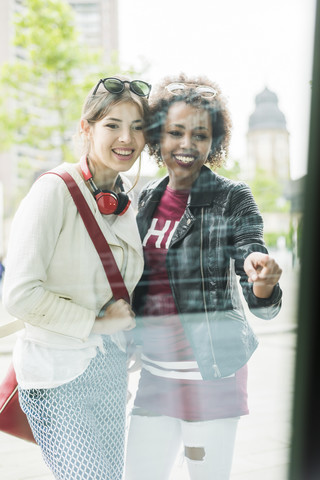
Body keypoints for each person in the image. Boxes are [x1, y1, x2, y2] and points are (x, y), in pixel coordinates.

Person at [125, 73, 283, 480]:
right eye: (176, 132)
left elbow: (251, 248)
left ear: (215, 141)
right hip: (156, 376)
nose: (187, 144)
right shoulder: (144, 199)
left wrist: (261, 280)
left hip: (211, 375)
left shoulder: (232, 197)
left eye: (200, 134)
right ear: (159, 136)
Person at [3, 75, 151, 480]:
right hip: (55, 376)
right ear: (86, 129)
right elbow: (19, 294)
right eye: (113, 125)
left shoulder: (125, 204)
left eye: (138, 127)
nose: (128, 138)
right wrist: (97, 322)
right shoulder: (53, 191)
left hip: (111, 371)